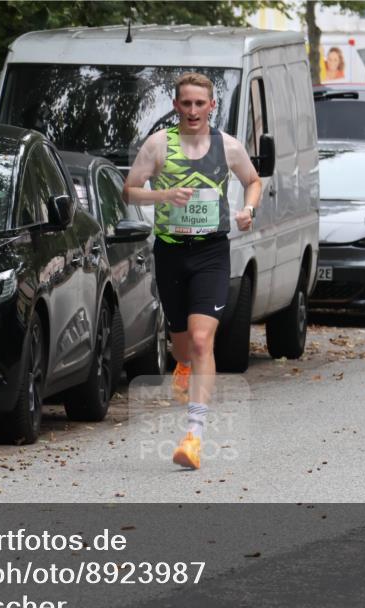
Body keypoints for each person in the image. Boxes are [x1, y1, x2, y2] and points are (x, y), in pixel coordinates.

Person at [123, 72, 262, 470]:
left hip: (212, 253)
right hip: (170, 252)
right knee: (182, 343)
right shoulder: (158, 145)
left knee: (203, 342)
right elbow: (129, 190)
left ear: (211, 106)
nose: (193, 110)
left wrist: (248, 210)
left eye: (200, 104)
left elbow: (253, 181)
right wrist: (163, 194)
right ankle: (182, 362)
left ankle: (193, 437)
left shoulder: (228, 146)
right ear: (175, 105)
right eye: (186, 103)